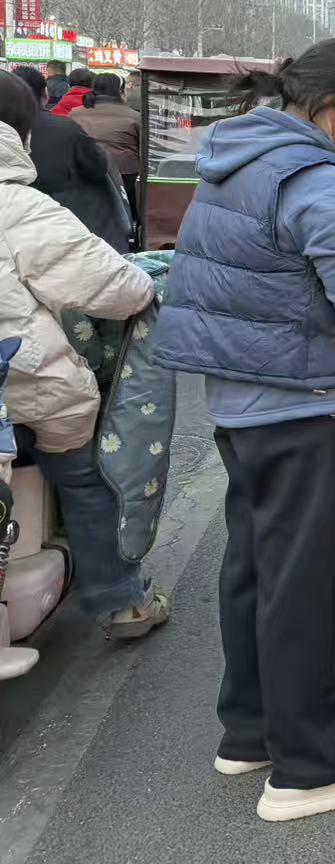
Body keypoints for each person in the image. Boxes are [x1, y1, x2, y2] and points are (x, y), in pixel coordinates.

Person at [154, 39, 335, 822]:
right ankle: (317, 756)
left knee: (262, 570)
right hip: (309, 402)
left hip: (247, 404)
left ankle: (252, 727)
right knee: (326, 580)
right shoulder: (317, 176)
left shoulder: (237, 160)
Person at [0, 70, 168, 640]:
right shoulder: (22, 209)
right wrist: (147, 286)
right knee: (83, 473)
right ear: (22, 133)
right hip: (25, 386)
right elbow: (115, 288)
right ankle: (121, 602)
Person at [9, 65, 129, 251]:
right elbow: (97, 167)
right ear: (44, 95)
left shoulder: (68, 119)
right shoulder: (65, 129)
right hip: (64, 226)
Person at [71, 72, 141, 232]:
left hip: (84, 176)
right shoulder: (135, 117)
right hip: (125, 178)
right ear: (121, 91)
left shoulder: (75, 114)